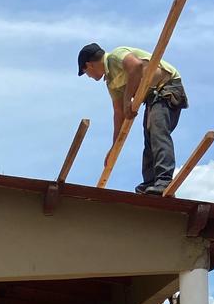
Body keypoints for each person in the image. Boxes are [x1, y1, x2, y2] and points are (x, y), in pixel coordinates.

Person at [77, 41, 188, 194]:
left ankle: (164, 181)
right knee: (149, 139)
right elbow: (119, 113)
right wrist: (114, 147)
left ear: (88, 65)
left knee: (157, 133)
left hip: (167, 87)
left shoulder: (115, 56)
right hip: (152, 97)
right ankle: (150, 183)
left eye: (86, 73)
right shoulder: (111, 82)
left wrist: (127, 98)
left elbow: (136, 67)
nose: (88, 77)